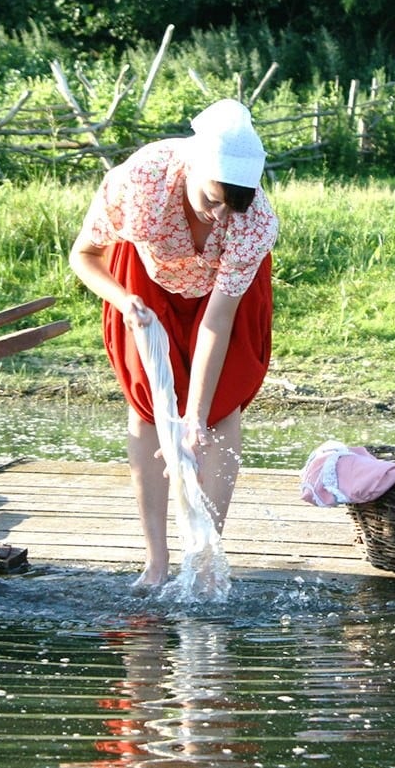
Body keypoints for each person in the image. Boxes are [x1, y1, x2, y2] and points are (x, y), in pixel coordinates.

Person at [69, 98, 278, 588]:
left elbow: (218, 320)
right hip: (145, 278)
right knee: (147, 403)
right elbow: (84, 255)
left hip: (222, 295)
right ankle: (157, 561)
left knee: (221, 402)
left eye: (235, 203)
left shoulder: (254, 221)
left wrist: (196, 417)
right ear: (192, 167)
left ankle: (207, 558)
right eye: (212, 199)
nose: (221, 215)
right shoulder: (138, 182)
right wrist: (124, 301)